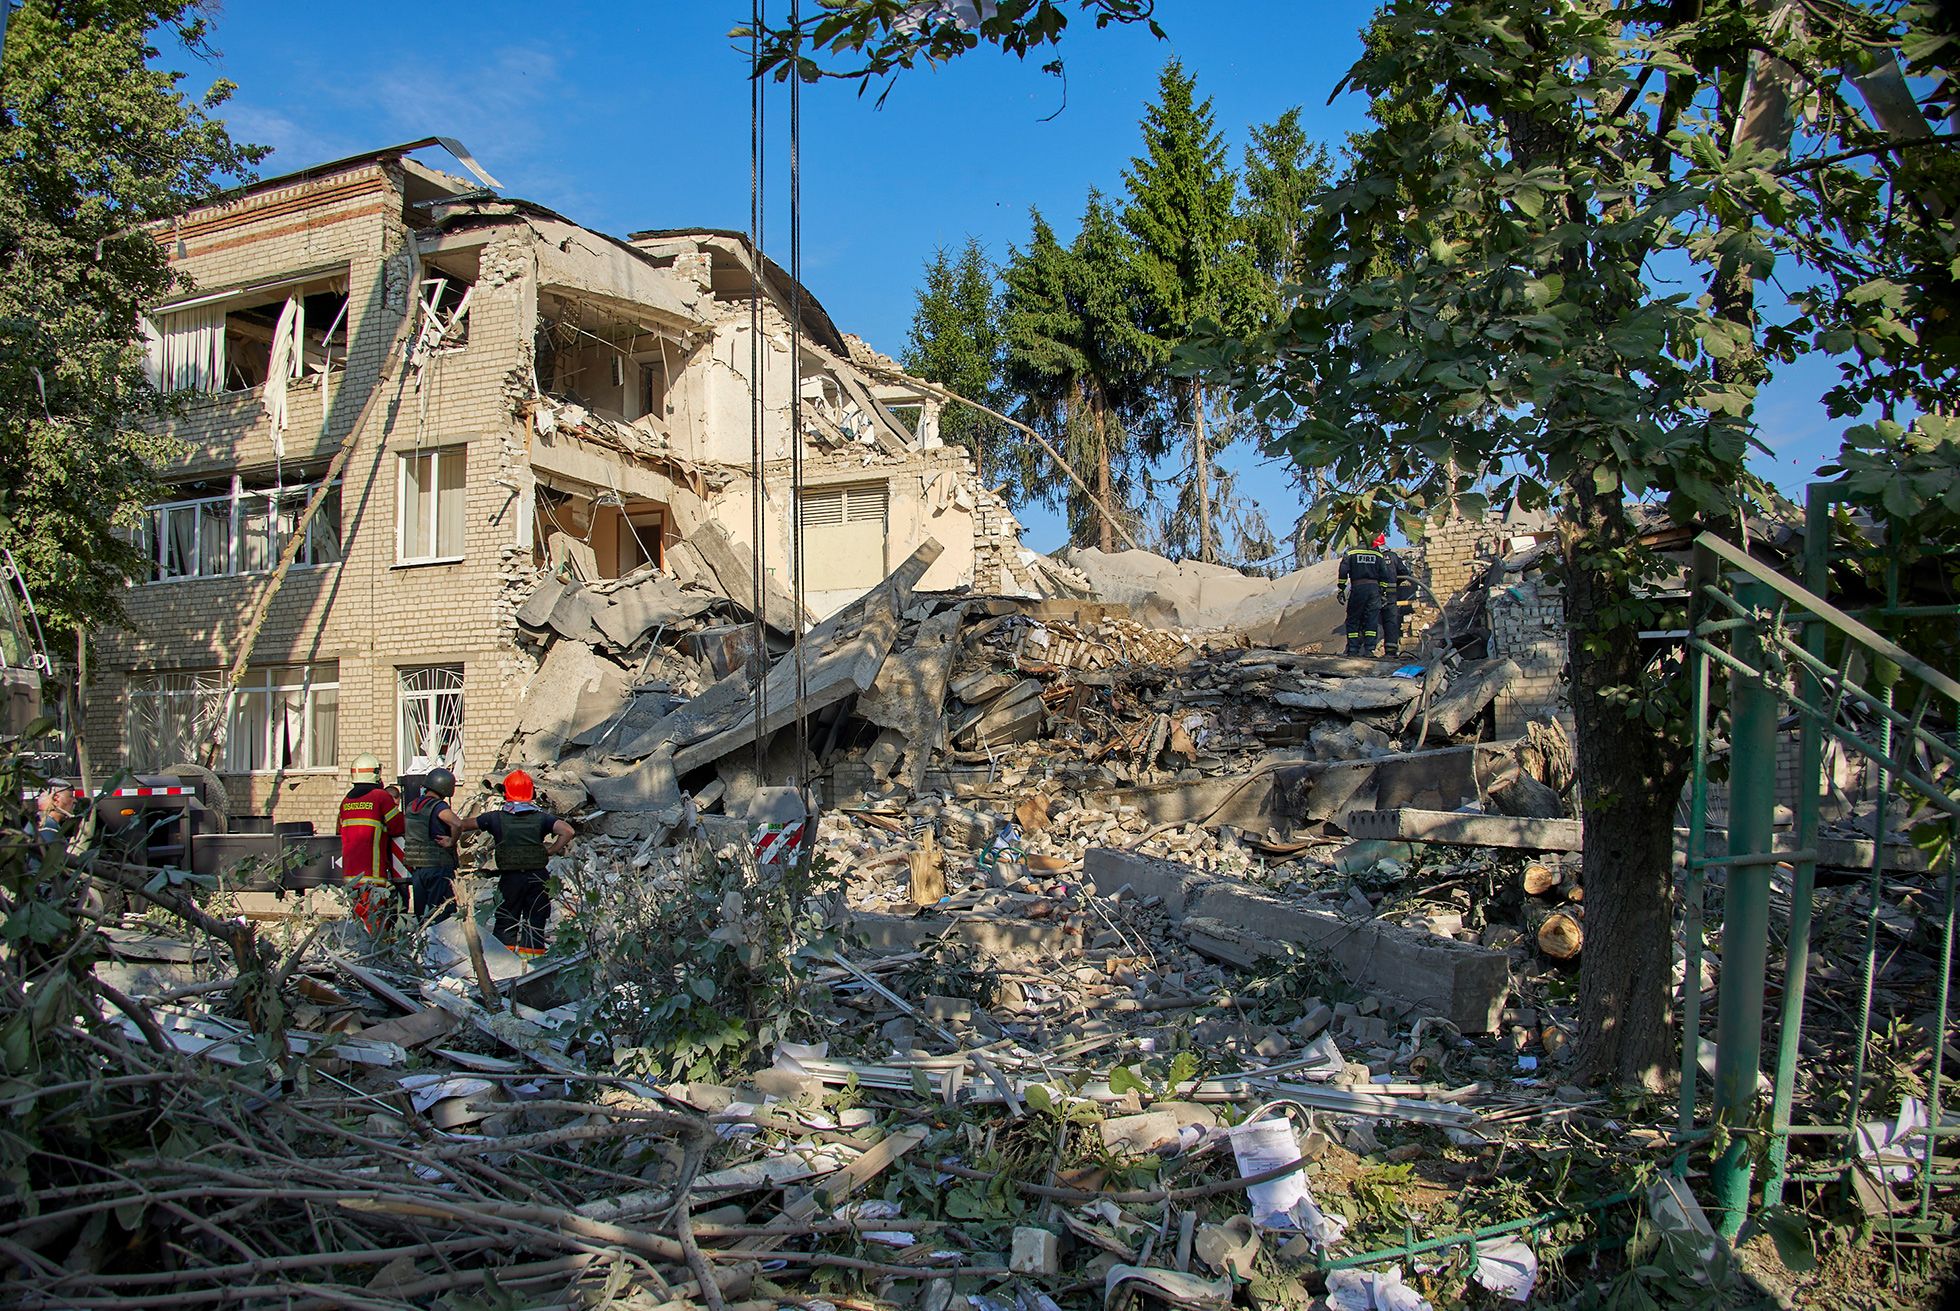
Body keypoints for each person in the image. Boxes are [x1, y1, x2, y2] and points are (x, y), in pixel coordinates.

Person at [475, 769, 574, 961]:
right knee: (535, 921)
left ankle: (503, 963)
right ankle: (533, 965)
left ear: (506, 793)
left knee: (506, 920)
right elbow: (568, 831)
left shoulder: (495, 818)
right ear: (532, 794)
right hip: (537, 878)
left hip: (510, 879)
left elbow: (462, 825)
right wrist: (551, 850)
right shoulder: (542, 818)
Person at [337, 753, 406, 933]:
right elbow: (398, 826)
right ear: (375, 773)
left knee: (358, 922)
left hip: (351, 875)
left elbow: (339, 830)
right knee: (375, 923)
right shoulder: (380, 797)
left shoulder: (346, 801)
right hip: (373, 874)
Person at [403, 767, 474, 923]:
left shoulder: (412, 805)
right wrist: (451, 841)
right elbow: (457, 824)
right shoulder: (438, 806)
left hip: (418, 870)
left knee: (423, 917)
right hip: (438, 868)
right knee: (441, 915)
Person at [1337, 532, 1391, 656]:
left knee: (1353, 618)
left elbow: (1343, 571)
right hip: (1374, 590)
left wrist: (1341, 589)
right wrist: (1382, 591)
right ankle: (1369, 649)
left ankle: (1353, 649)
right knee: (1371, 619)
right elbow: (1384, 575)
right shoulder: (1377, 554)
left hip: (1357, 588)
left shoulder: (1351, 552)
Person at [1383, 548, 1418, 657]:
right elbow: (1404, 572)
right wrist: (1395, 581)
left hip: (1374, 593)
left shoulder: (1374, 556)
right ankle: (1391, 651)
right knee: (1391, 621)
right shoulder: (1393, 556)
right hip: (1391, 594)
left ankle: (1366, 650)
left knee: (1371, 620)